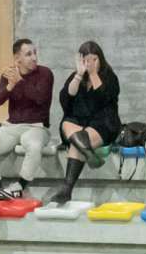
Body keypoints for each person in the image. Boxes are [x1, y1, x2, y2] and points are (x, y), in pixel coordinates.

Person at [0, 37, 53, 200]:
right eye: (28, 54)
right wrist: (10, 86)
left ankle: (19, 187)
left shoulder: (45, 73)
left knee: (34, 146)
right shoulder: (9, 75)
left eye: (35, 53)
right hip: (12, 126)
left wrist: (20, 81)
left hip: (36, 127)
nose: (34, 58)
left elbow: (41, 98)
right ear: (17, 58)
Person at [48, 40, 120, 206]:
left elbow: (104, 99)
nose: (90, 63)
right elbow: (66, 99)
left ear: (100, 59)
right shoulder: (76, 76)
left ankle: (67, 189)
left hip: (103, 123)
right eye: (87, 60)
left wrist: (94, 74)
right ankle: (89, 155)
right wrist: (79, 75)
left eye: (94, 59)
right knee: (67, 124)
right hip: (78, 122)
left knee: (78, 142)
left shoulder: (109, 77)